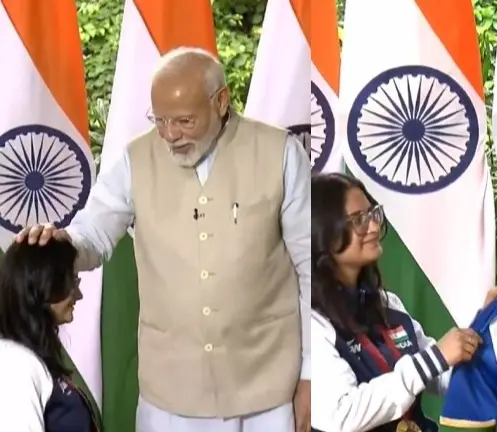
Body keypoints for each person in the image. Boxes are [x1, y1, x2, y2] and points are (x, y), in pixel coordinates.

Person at [16, 47, 310, 432]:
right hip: (170, 399)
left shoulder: (280, 153)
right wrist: (59, 242)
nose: (171, 135)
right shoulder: (134, 159)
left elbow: (311, 268)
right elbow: (94, 234)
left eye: (185, 120)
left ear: (221, 101)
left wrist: (309, 374)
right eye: (160, 120)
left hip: (268, 395)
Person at [311, 173, 497, 432]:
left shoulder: (388, 305)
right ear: (323, 234)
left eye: (372, 213)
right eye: (359, 220)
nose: (373, 226)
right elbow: (341, 415)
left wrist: (489, 322)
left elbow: (442, 376)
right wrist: (434, 359)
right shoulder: (311, 323)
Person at [0, 239, 101, 431]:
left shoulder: (30, 356)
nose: (78, 294)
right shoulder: (16, 366)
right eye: (71, 282)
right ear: (42, 288)